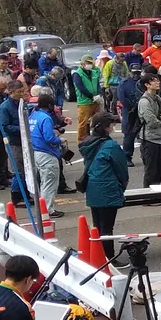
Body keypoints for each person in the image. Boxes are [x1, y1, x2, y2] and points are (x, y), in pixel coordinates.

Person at [79, 111, 129, 237]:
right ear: (106, 127)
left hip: (91, 188)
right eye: (111, 124)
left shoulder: (88, 144)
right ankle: (109, 256)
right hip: (108, 190)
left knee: (97, 227)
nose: (113, 126)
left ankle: (98, 255)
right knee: (107, 229)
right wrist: (122, 186)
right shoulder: (111, 146)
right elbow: (122, 170)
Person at [28, 88, 64, 217]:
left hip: (35, 152)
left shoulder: (33, 115)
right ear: (49, 105)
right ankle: (48, 209)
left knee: (43, 181)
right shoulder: (46, 118)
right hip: (46, 153)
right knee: (49, 182)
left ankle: (42, 207)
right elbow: (49, 138)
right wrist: (59, 139)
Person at [72, 56, 101, 135]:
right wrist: (92, 96)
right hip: (84, 101)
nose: (90, 65)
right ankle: (82, 141)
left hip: (95, 101)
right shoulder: (77, 74)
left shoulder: (94, 72)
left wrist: (99, 94)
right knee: (83, 123)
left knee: (97, 121)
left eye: (91, 63)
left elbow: (98, 84)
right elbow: (80, 87)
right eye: (88, 63)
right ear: (82, 63)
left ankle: (96, 138)